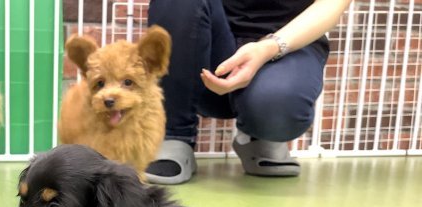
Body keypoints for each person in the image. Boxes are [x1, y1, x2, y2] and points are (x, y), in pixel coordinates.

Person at [145, 0, 353, 184]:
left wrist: (271, 47)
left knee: (277, 105)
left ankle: (257, 137)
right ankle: (174, 135)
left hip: (287, 39)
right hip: (206, 37)